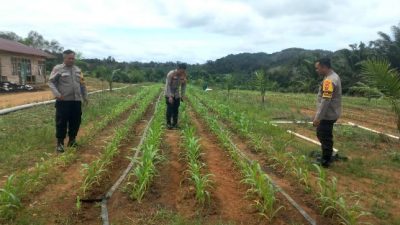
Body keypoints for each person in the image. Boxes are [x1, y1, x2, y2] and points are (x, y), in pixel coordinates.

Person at [48, 49, 88, 153]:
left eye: (73, 58)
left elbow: (82, 84)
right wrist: (57, 94)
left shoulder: (78, 70)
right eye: (69, 58)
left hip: (76, 101)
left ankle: (72, 140)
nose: (71, 60)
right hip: (63, 101)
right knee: (61, 122)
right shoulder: (58, 69)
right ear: (64, 58)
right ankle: (60, 144)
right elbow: (51, 82)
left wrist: (85, 97)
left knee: (76, 121)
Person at [313, 57, 342, 168]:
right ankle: (327, 155)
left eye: (318, 68)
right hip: (331, 113)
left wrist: (318, 117)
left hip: (327, 115)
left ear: (324, 67)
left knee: (324, 135)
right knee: (323, 134)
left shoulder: (329, 80)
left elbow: (326, 101)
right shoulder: (333, 76)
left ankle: (326, 160)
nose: (317, 70)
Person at [164, 63, 187, 129]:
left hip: (176, 94)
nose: (182, 72)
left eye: (184, 71)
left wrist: (182, 95)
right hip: (169, 92)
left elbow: (184, 85)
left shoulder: (183, 75)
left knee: (176, 109)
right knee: (170, 109)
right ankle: (168, 124)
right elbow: (167, 85)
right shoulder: (171, 74)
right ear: (178, 69)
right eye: (182, 71)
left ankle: (175, 124)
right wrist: (170, 96)